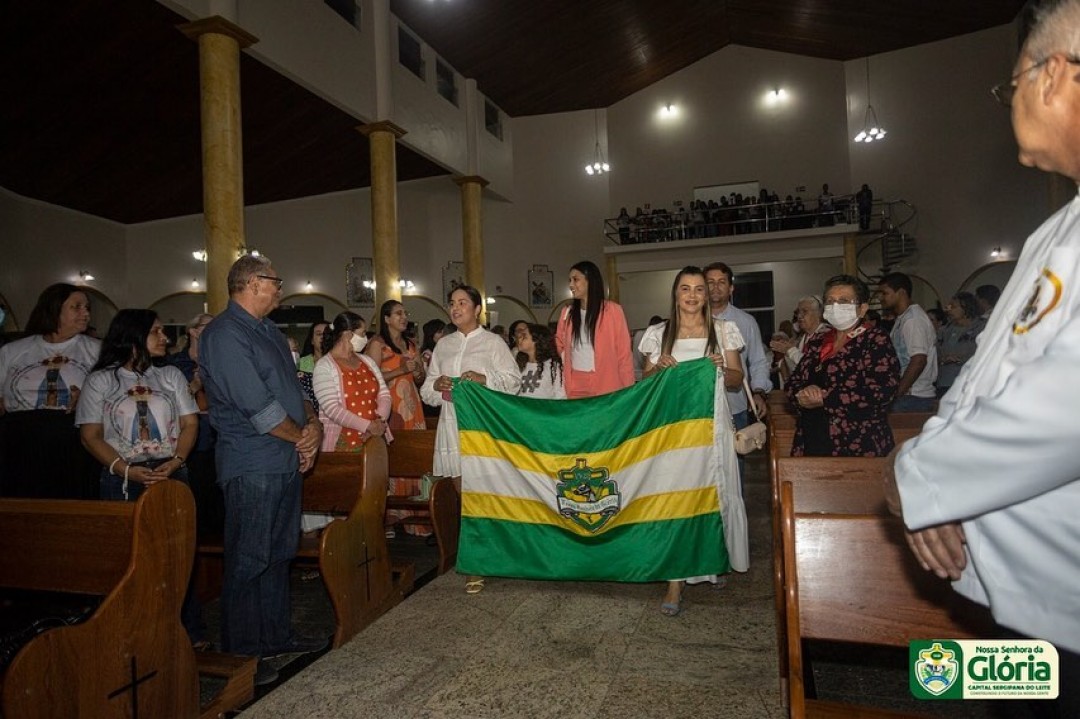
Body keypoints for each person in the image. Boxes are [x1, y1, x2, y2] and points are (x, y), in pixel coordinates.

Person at [886, 7, 1080, 714]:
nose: (1013, 106)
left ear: (1053, 74)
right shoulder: (1057, 229)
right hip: (1026, 612)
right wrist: (932, 466)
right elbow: (985, 376)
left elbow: (1066, 403)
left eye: (1012, 87)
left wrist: (920, 474)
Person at [199, 254, 327, 685]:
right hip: (252, 461)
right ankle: (241, 653)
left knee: (278, 554)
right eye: (275, 281)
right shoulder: (224, 334)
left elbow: (296, 389)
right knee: (249, 558)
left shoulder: (269, 331)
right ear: (252, 283)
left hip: (284, 458)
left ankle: (275, 636)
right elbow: (256, 405)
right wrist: (300, 437)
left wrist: (311, 427)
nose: (280, 288)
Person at [75, 309, 206, 648]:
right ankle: (136, 633)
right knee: (132, 559)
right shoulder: (101, 380)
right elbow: (91, 435)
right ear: (133, 337)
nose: (164, 337)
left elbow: (191, 423)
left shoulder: (171, 376)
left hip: (170, 469)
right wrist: (125, 469)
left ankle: (187, 631)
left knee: (178, 554)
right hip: (124, 474)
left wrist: (177, 459)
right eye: (156, 331)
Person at [638, 266, 746, 616]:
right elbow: (645, 382)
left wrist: (718, 366)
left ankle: (713, 559)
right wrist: (659, 369)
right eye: (685, 289)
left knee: (713, 491)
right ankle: (675, 578)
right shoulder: (659, 334)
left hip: (712, 426)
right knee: (678, 496)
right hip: (672, 430)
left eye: (699, 289)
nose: (693, 295)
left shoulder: (722, 330)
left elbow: (735, 378)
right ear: (675, 294)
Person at [420, 286, 520, 594]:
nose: (456, 308)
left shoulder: (493, 343)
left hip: (483, 429)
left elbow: (513, 382)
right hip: (452, 425)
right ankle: (476, 561)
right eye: (452, 303)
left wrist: (484, 379)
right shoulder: (445, 345)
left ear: (477, 309)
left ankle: (496, 556)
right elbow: (427, 392)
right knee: (466, 498)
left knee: (485, 494)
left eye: (463, 302)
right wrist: (436, 383)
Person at [0, 283, 100, 498]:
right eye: (77, 307)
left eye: (87, 307)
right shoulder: (13, 351)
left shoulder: (97, 350)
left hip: (70, 439)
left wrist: (89, 399)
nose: (86, 313)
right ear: (54, 309)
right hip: (19, 440)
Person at [786, 275, 900, 456]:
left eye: (844, 301)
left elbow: (881, 391)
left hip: (858, 441)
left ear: (862, 309)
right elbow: (793, 383)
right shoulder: (819, 342)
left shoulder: (875, 339)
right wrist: (804, 392)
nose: (835, 306)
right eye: (830, 301)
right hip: (813, 437)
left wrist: (825, 398)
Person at [704, 262, 771, 481]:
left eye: (721, 282)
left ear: (731, 288)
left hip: (735, 407)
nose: (715, 287)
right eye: (710, 283)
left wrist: (759, 390)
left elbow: (758, 361)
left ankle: (737, 513)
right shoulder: (692, 320)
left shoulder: (745, 321)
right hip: (701, 408)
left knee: (735, 471)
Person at [165, 312, 224, 534]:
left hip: (219, 437)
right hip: (191, 440)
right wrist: (196, 384)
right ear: (193, 331)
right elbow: (170, 404)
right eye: (208, 325)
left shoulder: (221, 361)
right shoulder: (174, 365)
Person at [314, 311, 391, 452]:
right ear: (348, 335)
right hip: (343, 441)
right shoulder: (324, 366)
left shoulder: (367, 361)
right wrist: (368, 426)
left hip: (375, 437)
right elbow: (332, 409)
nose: (366, 339)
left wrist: (379, 423)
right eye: (362, 333)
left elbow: (384, 394)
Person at [555, 260, 634, 398]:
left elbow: (624, 353)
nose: (571, 285)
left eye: (576, 280)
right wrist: (566, 358)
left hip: (606, 381)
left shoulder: (613, 311)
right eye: (570, 280)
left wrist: (628, 390)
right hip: (575, 381)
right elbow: (559, 342)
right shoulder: (567, 312)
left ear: (590, 281)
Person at [878, 272, 937, 412]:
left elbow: (919, 360)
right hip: (909, 395)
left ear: (901, 292)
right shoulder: (903, 318)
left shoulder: (913, 320)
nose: (880, 298)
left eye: (884, 293)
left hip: (913, 396)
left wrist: (898, 392)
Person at [365, 300, 426, 431]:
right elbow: (371, 378)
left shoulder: (412, 345)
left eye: (405, 313)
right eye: (399, 314)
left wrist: (418, 374)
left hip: (411, 402)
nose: (404, 317)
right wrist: (401, 370)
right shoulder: (378, 344)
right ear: (387, 319)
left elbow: (420, 380)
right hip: (389, 404)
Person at [936, 292, 983, 397]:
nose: (949, 309)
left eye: (953, 306)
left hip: (969, 382)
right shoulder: (944, 330)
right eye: (948, 306)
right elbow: (936, 352)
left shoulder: (981, 328)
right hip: (945, 382)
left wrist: (960, 359)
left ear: (966, 307)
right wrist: (942, 359)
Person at [769, 295, 825, 375]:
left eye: (805, 311)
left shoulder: (826, 335)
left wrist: (790, 350)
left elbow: (813, 367)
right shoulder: (802, 337)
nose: (799, 316)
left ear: (818, 314)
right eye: (798, 312)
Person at [515, 323, 565, 399]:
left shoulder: (553, 366)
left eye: (524, 337)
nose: (519, 339)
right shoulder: (519, 364)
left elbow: (560, 394)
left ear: (536, 341)